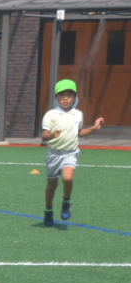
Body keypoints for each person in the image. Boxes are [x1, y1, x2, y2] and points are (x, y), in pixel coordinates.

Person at [40, 79, 103, 227]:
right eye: (61, 95)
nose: (65, 98)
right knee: (51, 186)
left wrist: (93, 128)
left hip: (70, 152)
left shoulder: (78, 114)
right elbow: (44, 136)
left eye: (69, 94)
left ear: (75, 97)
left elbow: (78, 133)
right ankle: (48, 210)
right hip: (54, 154)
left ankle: (66, 202)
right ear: (56, 98)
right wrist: (52, 135)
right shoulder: (51, 114)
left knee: (67, 178)